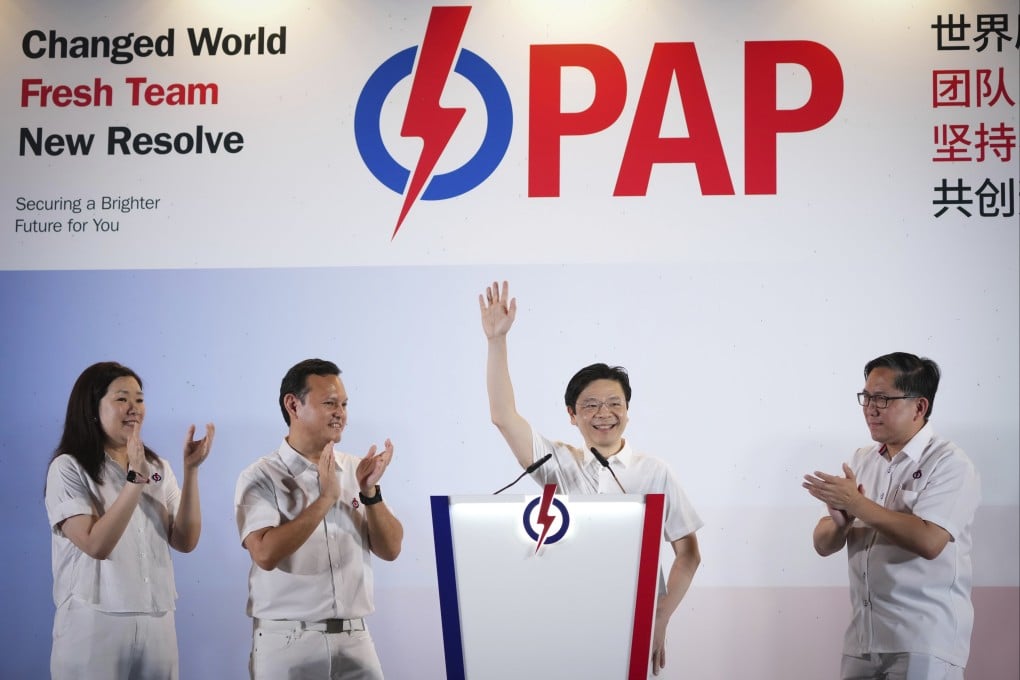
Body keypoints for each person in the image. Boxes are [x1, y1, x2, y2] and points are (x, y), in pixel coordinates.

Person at [479, 281, 702, 677]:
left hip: (637, 625)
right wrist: (497, 342)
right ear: (572, 413)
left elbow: (689, 553)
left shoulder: (654, 471)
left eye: (615, 403)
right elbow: (503, 416)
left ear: (628, 411)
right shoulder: (558, 462)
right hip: (571, 620)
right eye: (591, 405)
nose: (604, 413)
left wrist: (659, 619)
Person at [803, 352, 981, 680]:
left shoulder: (950, 463)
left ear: (919, 407)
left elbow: (930, 540)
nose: (870, 408)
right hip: (863, 638)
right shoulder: (861, 459)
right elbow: (823, 544)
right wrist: (840, 524)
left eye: (882, 398)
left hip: (923, 640)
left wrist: (856, 506)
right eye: (867, 397)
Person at [44, 361, 215, 680]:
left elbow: (186, 541)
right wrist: (135, 479)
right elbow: (96, 544)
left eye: (139, 399)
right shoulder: (68, 468)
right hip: (94, 622)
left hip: (157, 618)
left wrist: (191, 471)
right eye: (122, 399)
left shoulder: (157, 466)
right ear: (92, 408)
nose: (134, 408)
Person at [235, 358, 403, 680]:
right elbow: (265, 554)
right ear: (293, 406)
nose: (340, 413)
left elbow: (392, 549)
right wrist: (326, 499)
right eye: (329, 403)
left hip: (356, 638)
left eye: (344, 404)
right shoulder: (260, 476)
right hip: (287, 641)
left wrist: (370, 492)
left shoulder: (358, 469)